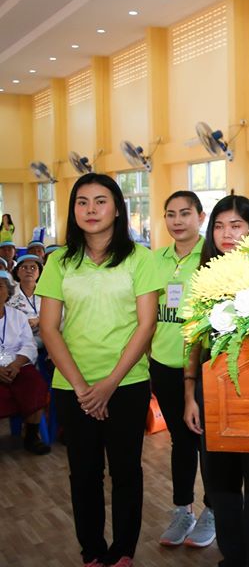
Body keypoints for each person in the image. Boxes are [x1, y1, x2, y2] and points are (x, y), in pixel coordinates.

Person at [37, 173, 163, 567]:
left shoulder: (140, 258)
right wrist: (82, 387)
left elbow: (146, 325)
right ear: (73, 210)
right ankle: (91, 550)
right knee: (83, 474)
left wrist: (109, 384)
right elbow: (48, 328)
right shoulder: (59, 261)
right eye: (82, 202)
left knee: (126, 472)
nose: (91, 210)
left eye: (100, 201)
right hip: (72, 387)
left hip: (127, 384)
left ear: (118, 209)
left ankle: (123, 550)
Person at [183, 194, 249, 567]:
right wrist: (190, 394)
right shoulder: (204, 275)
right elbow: (193, 341)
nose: (227, 233)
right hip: (213, 389)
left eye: (236, 225)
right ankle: (233, 557)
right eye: (219, 226)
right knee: (220, 481)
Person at [150, 191, 215, 548]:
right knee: (181, 441)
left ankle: (213, 509)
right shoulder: (155, 260)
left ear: (200, 217)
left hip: (202, 367)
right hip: (163, 364)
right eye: (171, 214)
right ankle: (183, 510)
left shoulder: (212, 257)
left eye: (185, 213)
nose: (177, 221)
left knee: (207, 442)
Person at [0, 269, 50, 455]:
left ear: (8, 292)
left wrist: (16, 365)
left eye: (0, 287)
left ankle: (31, 436)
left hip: (18, 364)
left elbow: (29, 345)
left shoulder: (18, 316)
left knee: (35, 384)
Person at [9, 254, 44, 349]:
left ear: (39, 272)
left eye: (33, 268)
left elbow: (57, 316)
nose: (29, 271)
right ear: (17, 272)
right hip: (15, 336)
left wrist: (39, 320)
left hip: (43, 335)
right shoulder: (9, 293)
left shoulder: (47, 293)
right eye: (24, 267)